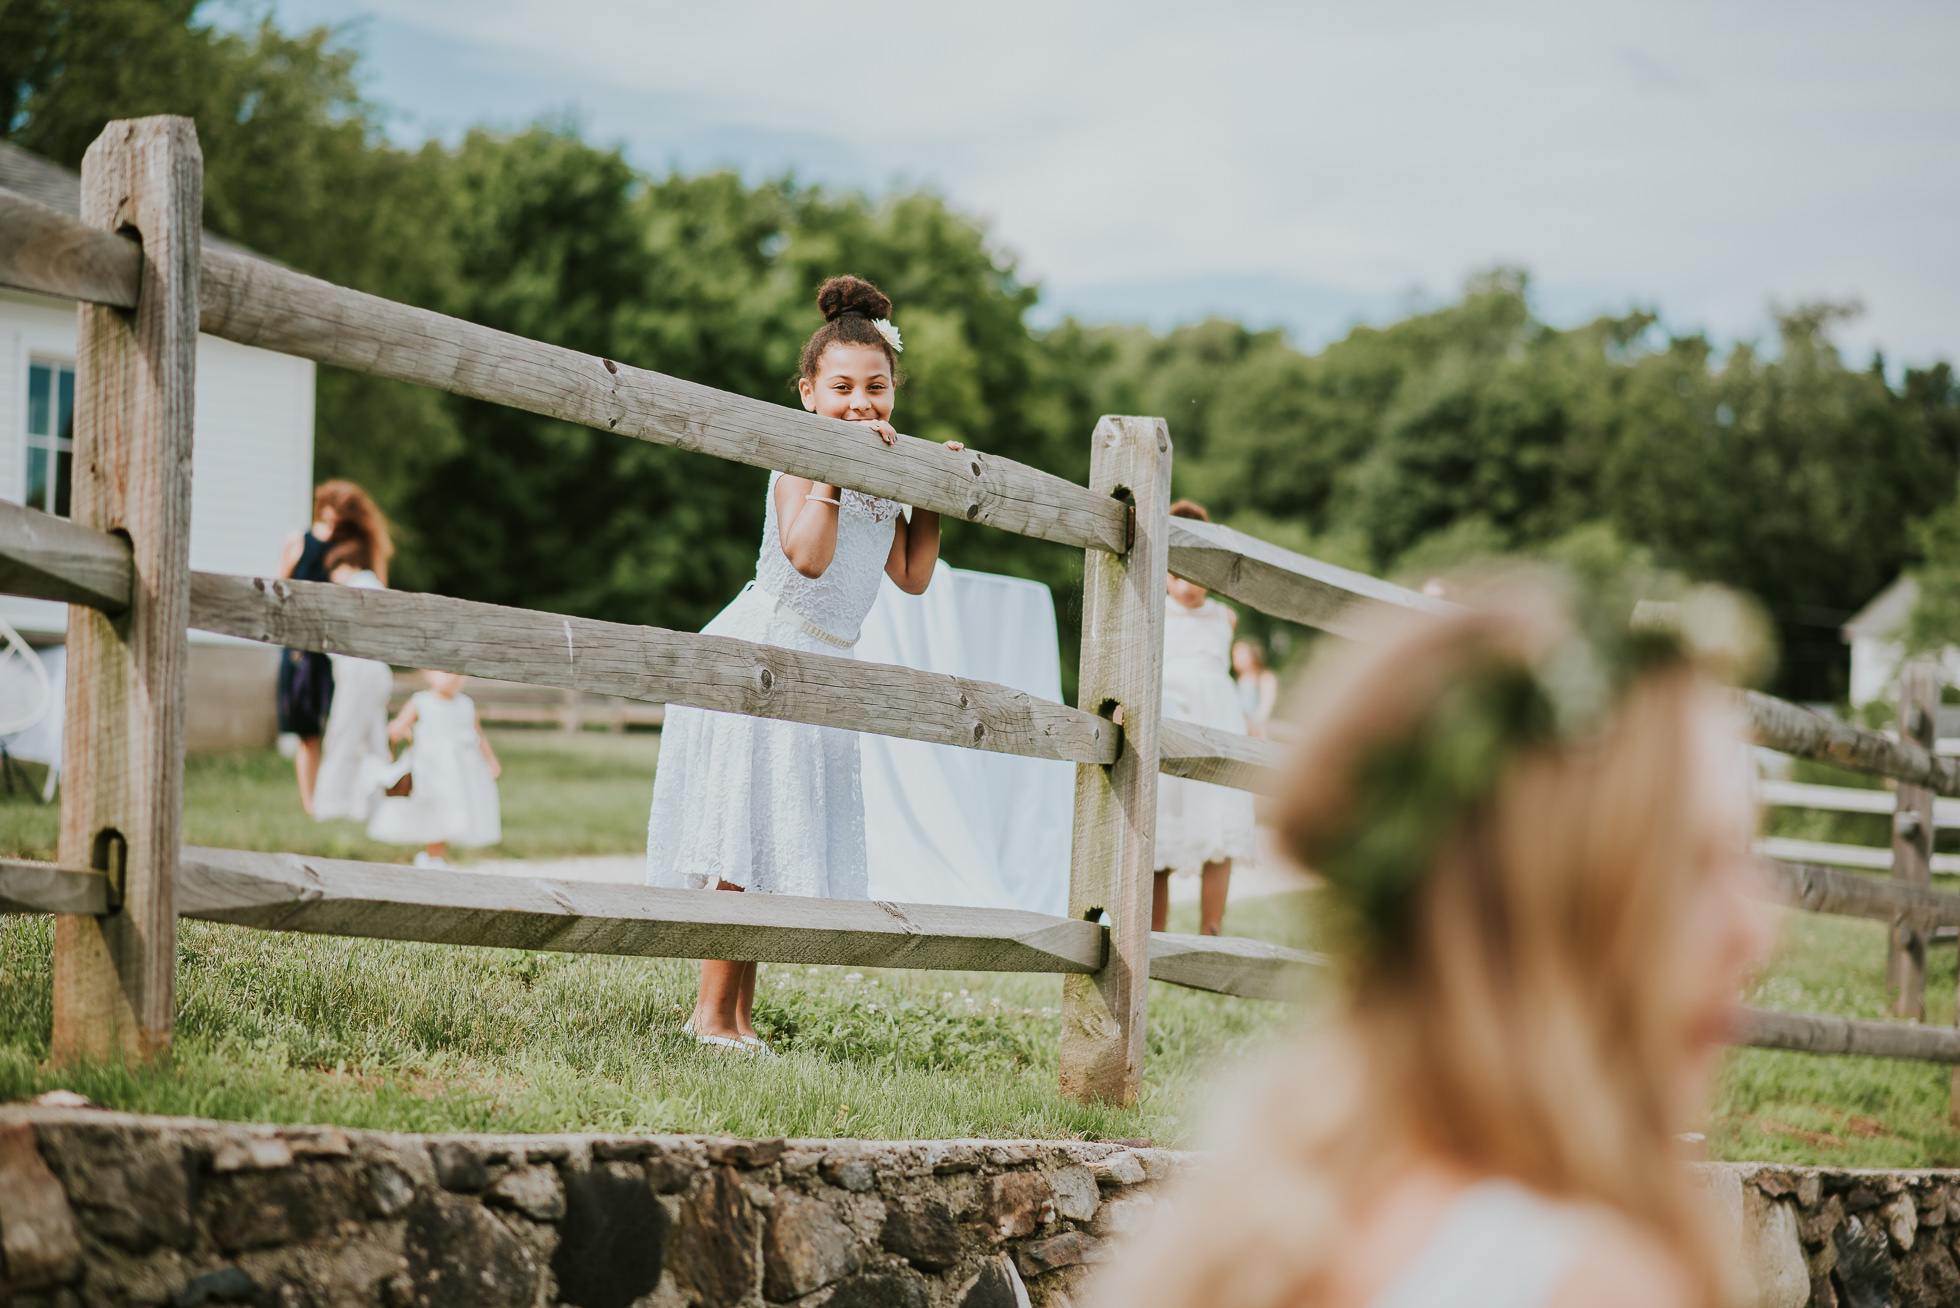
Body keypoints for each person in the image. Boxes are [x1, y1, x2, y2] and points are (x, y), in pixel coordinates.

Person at [1092, 577, 1776, 1308]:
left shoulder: (1277, 1214)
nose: (1757, 931)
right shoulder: (1587, 1279)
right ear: (1540, 902)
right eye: (1692, 866)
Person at [646, 274, 960, 1052]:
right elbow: (809, 559)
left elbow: (913, 575)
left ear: (895, 392)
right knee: (739, 839)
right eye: (843, 387)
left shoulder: (886, 468)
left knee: (771, 839)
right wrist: (834, 470)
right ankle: (712, 1015)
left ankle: (737, 1016)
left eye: (877, 388)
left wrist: (932, 489)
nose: (862, 403)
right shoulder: (796, 462)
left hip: (829, 663)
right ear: (808, 395)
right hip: (770, 651)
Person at [1154, 500, 1259, 937]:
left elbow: (1226, 674)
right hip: (1171, 713)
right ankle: (1152, 931)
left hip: (1218, 716)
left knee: (1218, 816)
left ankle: (1211, 928)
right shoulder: (1153, 610)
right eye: (1178, 570)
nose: (1187, 583)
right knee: (1161, 819)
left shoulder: (1224, 616)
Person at [311, 485, 398, 823]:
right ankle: (376, 807)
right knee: (373, 739)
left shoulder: (361, 584)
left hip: (362, 673)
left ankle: (330, 806)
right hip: (369, 672)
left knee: (344, 735)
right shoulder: (366, 582)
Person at [367, 670, 502, 868]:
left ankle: (434, 856)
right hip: (429, 770)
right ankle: (429, 855)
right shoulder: (421, 702)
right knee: (431, 810)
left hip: (458, 772)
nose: (453, 677)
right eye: (446, 672)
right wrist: (400, 732)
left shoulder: (466, 705)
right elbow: (396, 728)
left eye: (459, 673)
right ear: (428, 673)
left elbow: (477, 735)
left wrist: (491, 761)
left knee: (449, 811)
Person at [274, 494, 336, 814]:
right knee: (308, 732)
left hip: (332, 650)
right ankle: (311, 804)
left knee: (332, 730)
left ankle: (329, 800)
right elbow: (279, 585)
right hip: (302, 649)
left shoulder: (345, 551)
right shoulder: (299, 540)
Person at [1232, 638, 1279, 738]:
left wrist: (1253, 726)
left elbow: (1265, 708)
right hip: (1240, 729)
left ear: (1252, 655)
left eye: (1240, 653)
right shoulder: (1240, 680)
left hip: (1257, 732)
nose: (1235, 657)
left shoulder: (1265, 677)